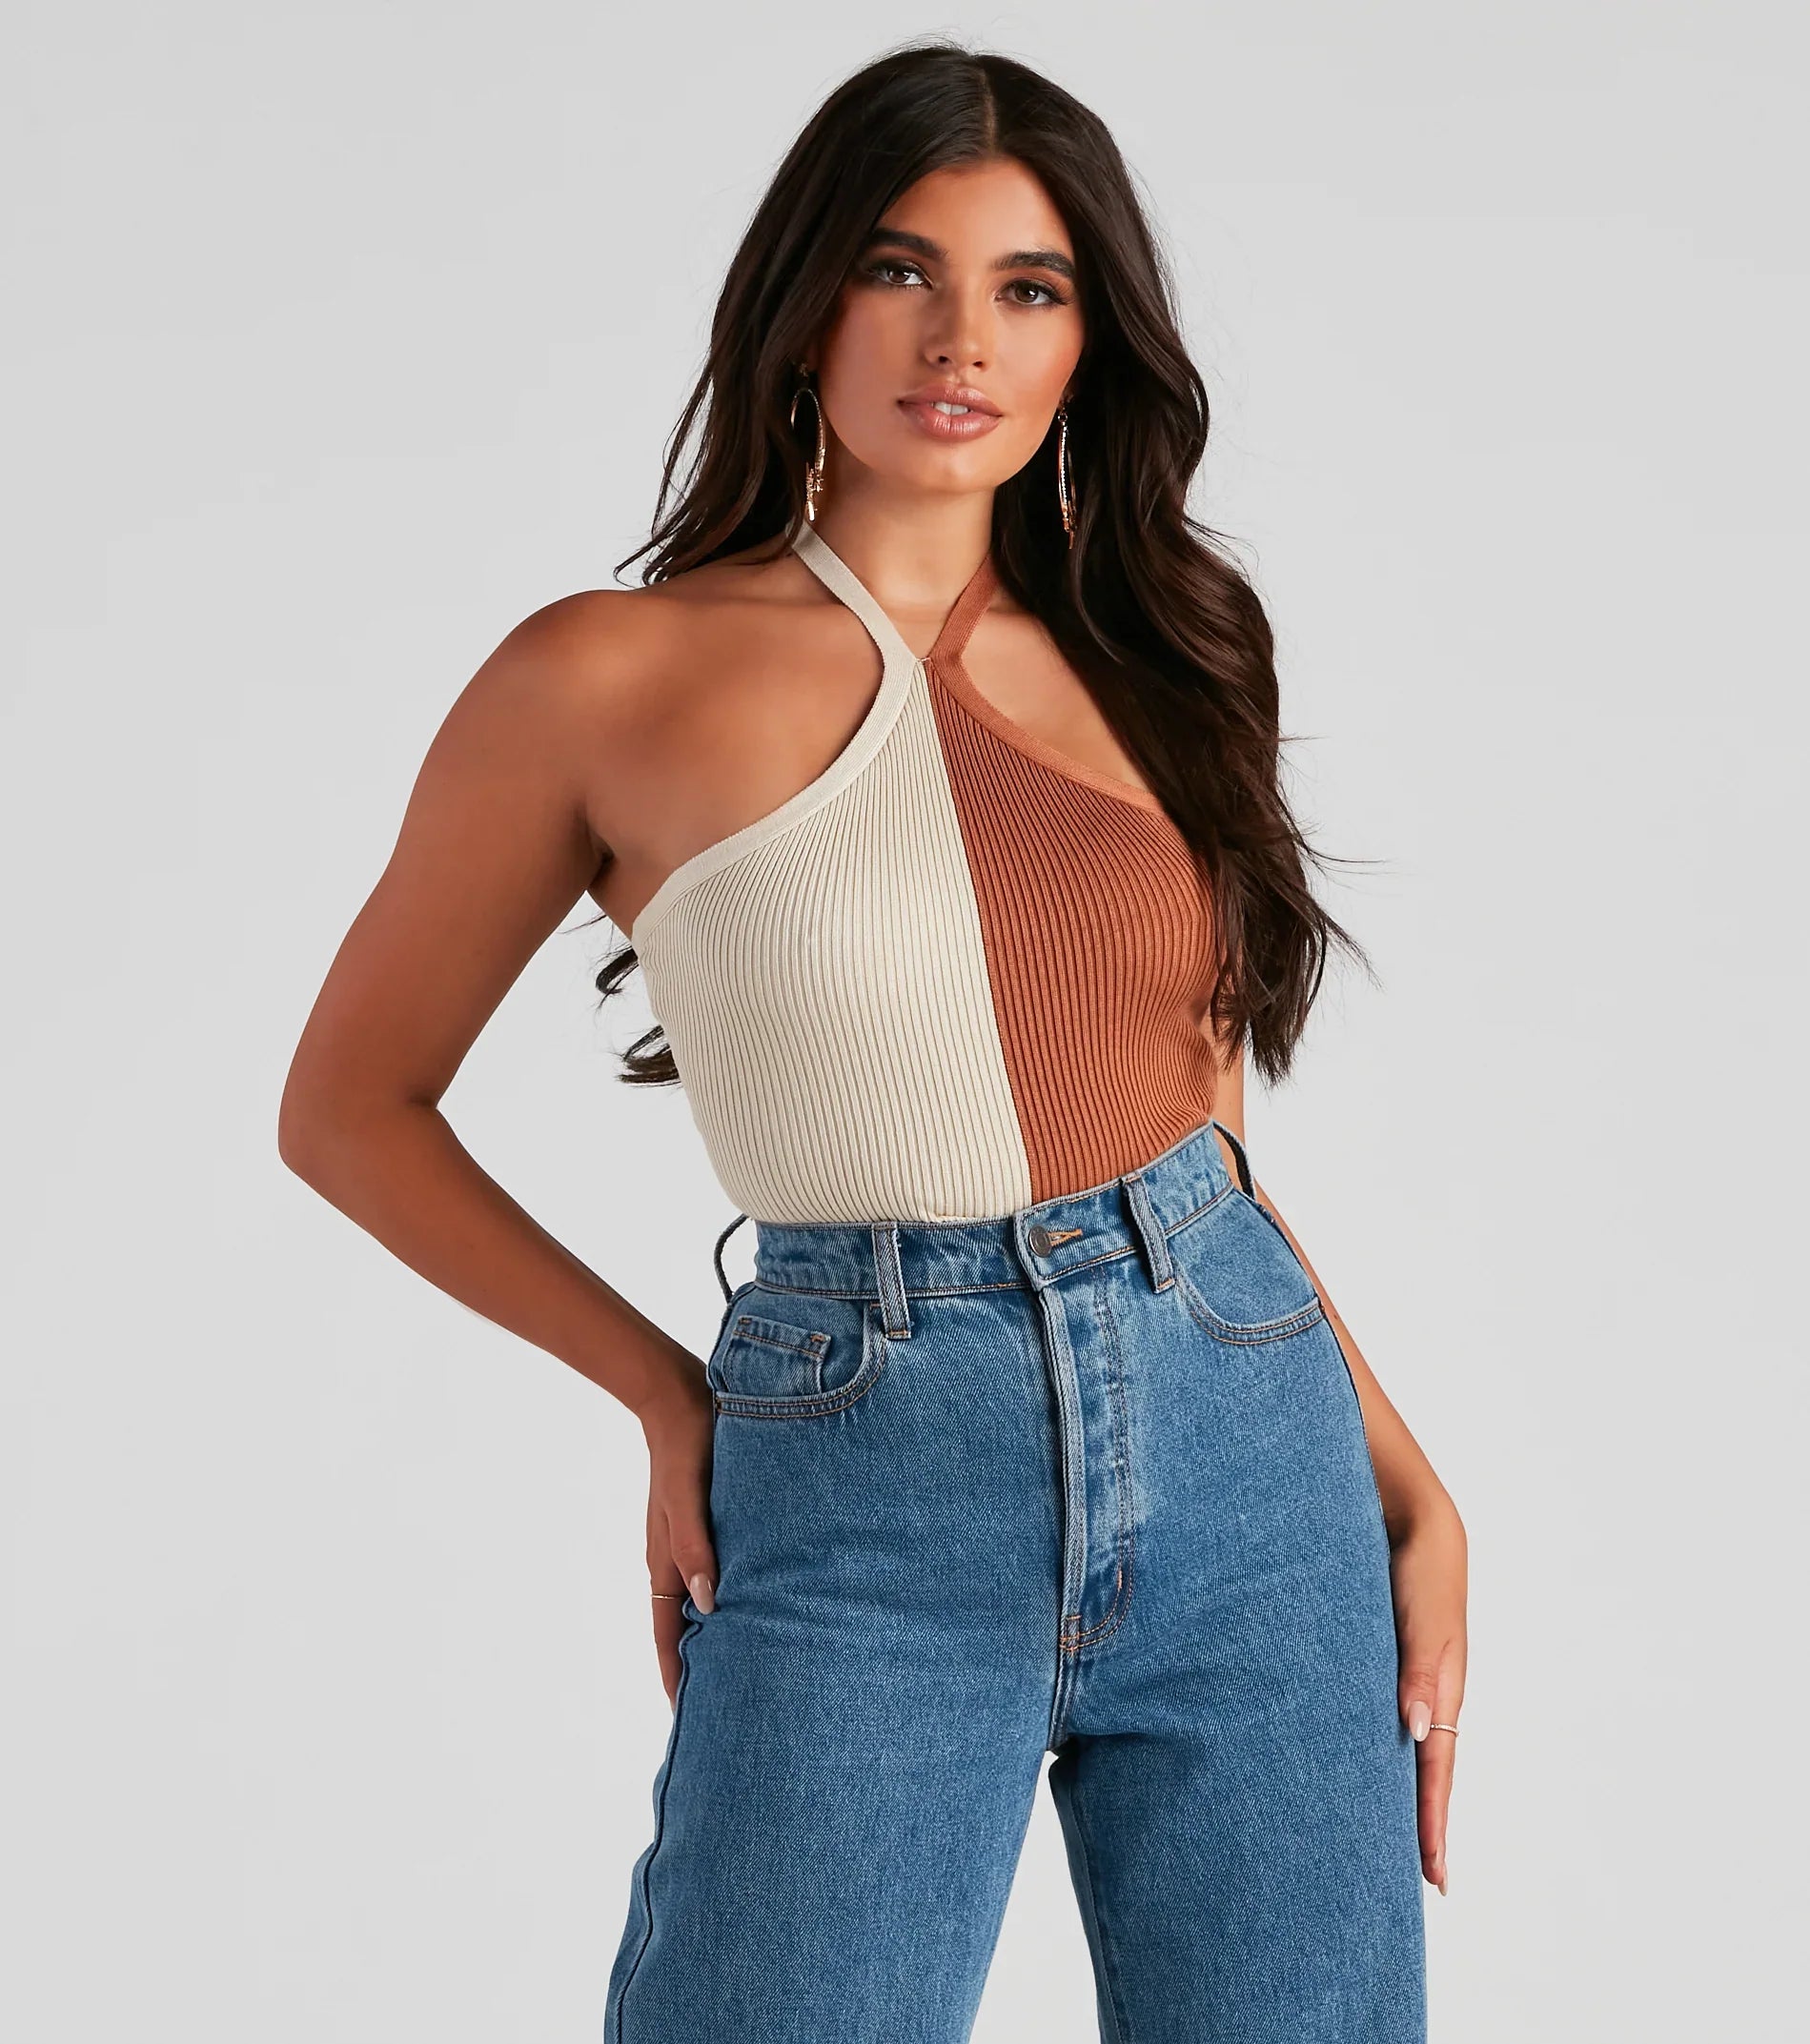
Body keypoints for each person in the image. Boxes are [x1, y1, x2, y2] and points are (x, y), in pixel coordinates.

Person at [278, 37, 1468, 2044]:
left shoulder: (1171, 651)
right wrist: (663, 1395)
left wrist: (1406, 1480)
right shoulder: (604, 676)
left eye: (1030, 286)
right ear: (804, 299)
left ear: (1089, 339)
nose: (960, 337)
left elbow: (1205, 1140)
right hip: (864, 1466)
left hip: (1250, 1453)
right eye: (900, 267)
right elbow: (347, 1107)